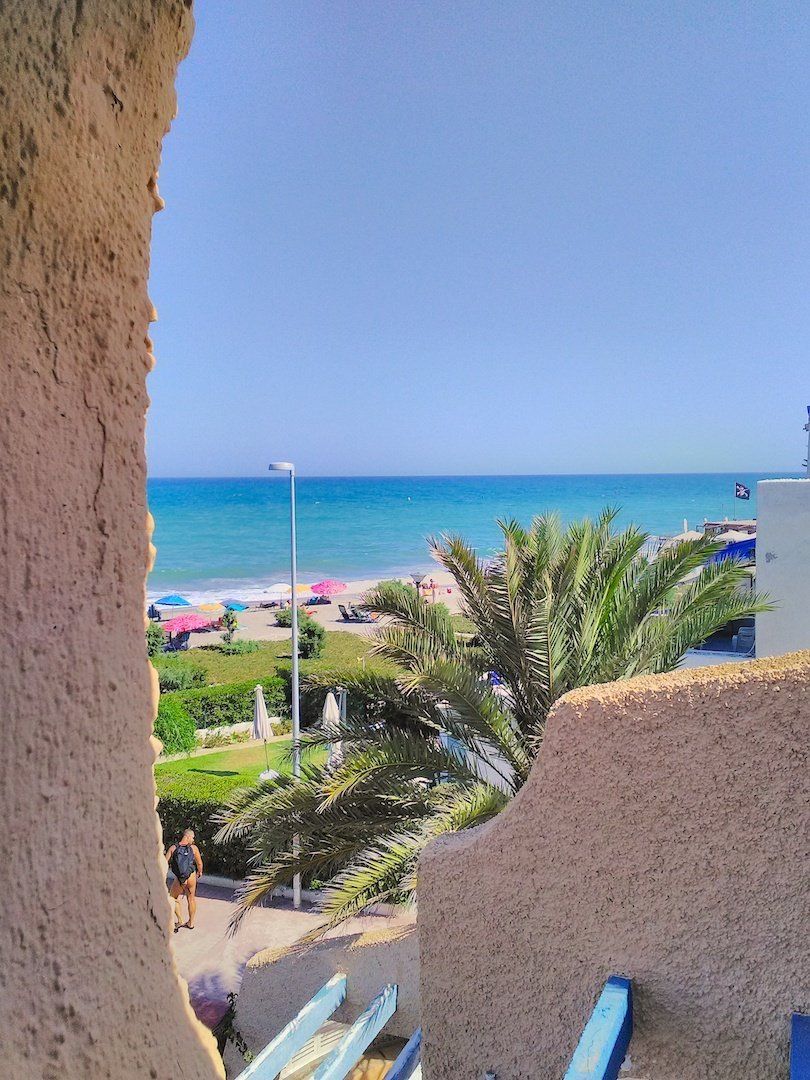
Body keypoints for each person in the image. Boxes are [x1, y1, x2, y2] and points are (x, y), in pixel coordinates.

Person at [166, 828, 203, 932]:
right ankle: (191, 923)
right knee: (191, 899)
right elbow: (199, 863)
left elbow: (164, 862)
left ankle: (180, 920)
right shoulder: (194, 848)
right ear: (188, 836)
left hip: (179, 879)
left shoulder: (173, 848)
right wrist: (200, 872)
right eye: (192, 838)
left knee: (173, 898)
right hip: (191, 876)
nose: (193, 840)